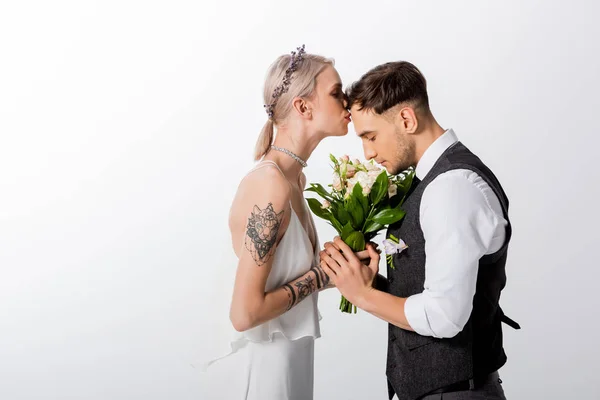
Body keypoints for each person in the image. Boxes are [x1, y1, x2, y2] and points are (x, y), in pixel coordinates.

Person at [320, 61, 520, 400]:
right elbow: (437, 289)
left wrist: (363, 296)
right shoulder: (432, 182)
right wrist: (372, 283)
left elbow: (445, 316)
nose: (367, 153)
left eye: (370, 136)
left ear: (407, 120)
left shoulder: (451, 187)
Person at [205, 45, 352, 400]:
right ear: (303, 106)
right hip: (265, 374)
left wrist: (343, 267)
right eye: (336, 92)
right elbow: (244, 314)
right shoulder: (270, 185)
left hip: (291, 365)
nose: (348, 101)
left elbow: (287, 279)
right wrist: (320, 276)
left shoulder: (294, 181)